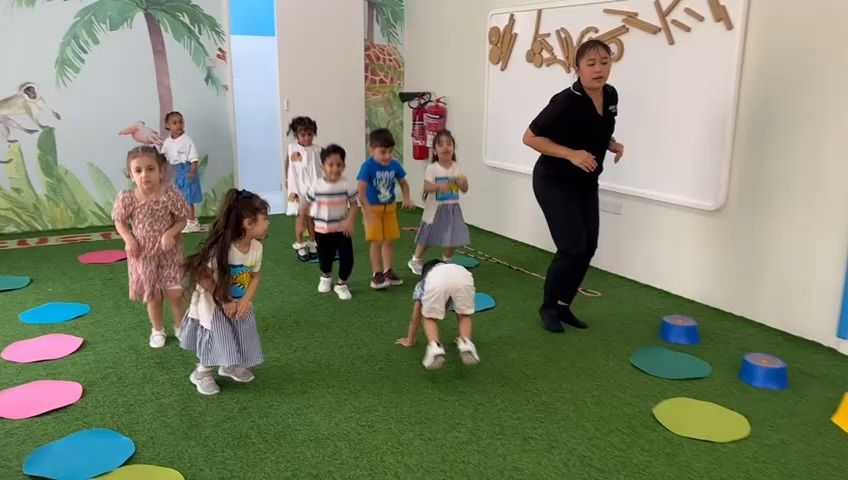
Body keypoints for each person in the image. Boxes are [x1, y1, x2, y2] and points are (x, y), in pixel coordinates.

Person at [522, 39, 625, 333]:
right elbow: (530, 138)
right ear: (576, 68)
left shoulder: (611, 94)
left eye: (604, 62)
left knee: (588, 246)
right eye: (591, 63)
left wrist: (611, 143)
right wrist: (571, 153)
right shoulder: (564, 101)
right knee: (571, 246)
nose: (599, 69)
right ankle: (548, 307)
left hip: (585, 182)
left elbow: (596, 128)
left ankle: (564, 306)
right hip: (553, 181)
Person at [179, 189, 270, 395]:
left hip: (237, 301)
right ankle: (202, 372)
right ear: (248, 223)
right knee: (217, 337)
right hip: (213, 303)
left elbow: (255, 275)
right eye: (264, 219)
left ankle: (229, 365)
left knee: (240, 332)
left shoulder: (256, 248)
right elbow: (202, 275)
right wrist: (225, 299)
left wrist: (245, 300)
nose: (268, 223)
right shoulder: (223, 249)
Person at [112, 146, 189, 348]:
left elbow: (182, 219)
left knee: (175, 293)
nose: (144, 175)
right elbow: (119, 221)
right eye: (138, 170)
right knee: (153, 296)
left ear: (161, 171)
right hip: (143, 254)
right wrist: (129, 239)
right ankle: (157, 330)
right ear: (131, 174)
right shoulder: (127, 198)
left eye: (150, 169)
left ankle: (181, 327)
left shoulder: (170, 194)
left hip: (169, 252)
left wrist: (170, 233)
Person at [396, 259, 480, 370]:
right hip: (463, 275)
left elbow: (416, 316)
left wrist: (410, 340)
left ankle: (435, 347)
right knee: (464, 314)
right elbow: (461, 313)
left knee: (429, 318)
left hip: (437, 282)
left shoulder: (424, 283)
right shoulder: (452, 268)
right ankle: (466, 342)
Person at [407, 130, 470, 275]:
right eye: (441, 144)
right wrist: (438, 187)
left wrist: (463, 181)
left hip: (452, 209)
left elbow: (465, 189)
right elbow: (426, 187)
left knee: (453, 236)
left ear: (453, 148)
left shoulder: (456, 168)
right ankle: (416, 260)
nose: (446, 147)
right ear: (435, 151)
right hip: (435, 210)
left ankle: (446, 262)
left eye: (449, 144)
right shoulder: (433, 168)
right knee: (427, 237)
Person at [357, 128, 412, 289]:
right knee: (377, 241)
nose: (387, 156)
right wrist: (366, 210)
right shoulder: (367, 166)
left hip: (389, 209)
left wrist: (407, 197)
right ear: (372, 150)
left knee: (388, 240)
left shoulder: (394, 164)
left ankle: (388, 270)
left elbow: (403, 182)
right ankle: (377, 273)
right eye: (383, 152)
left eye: (390, 151)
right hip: (372, 210)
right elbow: (361, 189)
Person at [302, 144, 359, 300]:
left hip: (342, 229)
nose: (335, 169)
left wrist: (350, 220)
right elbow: (305, 206)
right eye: (331, 165)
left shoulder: (347, 184)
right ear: (323, 167)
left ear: (344, 166)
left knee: (347, 258)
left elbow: (355, 204)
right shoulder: (316, 186)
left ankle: (341, 284)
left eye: (339, 165)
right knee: (325, 258)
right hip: (322, 230)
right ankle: (326, 276)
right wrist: (301, 224)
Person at [284, 116, 321, 260]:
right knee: (300, 217)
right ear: (296, 135)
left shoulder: (317, 149)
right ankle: (300, 244)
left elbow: (322, 167)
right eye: (303, 135)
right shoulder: (292, 148)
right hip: (298, 188)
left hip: (313, 188)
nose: (306, 138)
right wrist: (287, 181)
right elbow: (288, 165)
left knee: (312, 218)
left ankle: (313, 243)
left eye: (310, 134)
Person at [160, 111, 202, 233]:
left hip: (188, 170)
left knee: (189, 198)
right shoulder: (168, 142)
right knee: (181, 197)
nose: (179, 125)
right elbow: (164, 158)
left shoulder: (187, 140)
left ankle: (192, 222)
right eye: (174, 123)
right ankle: (185, 219)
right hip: (178, 171)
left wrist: (192, 171)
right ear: (167, 125)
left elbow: (194, 158)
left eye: (181, 122)